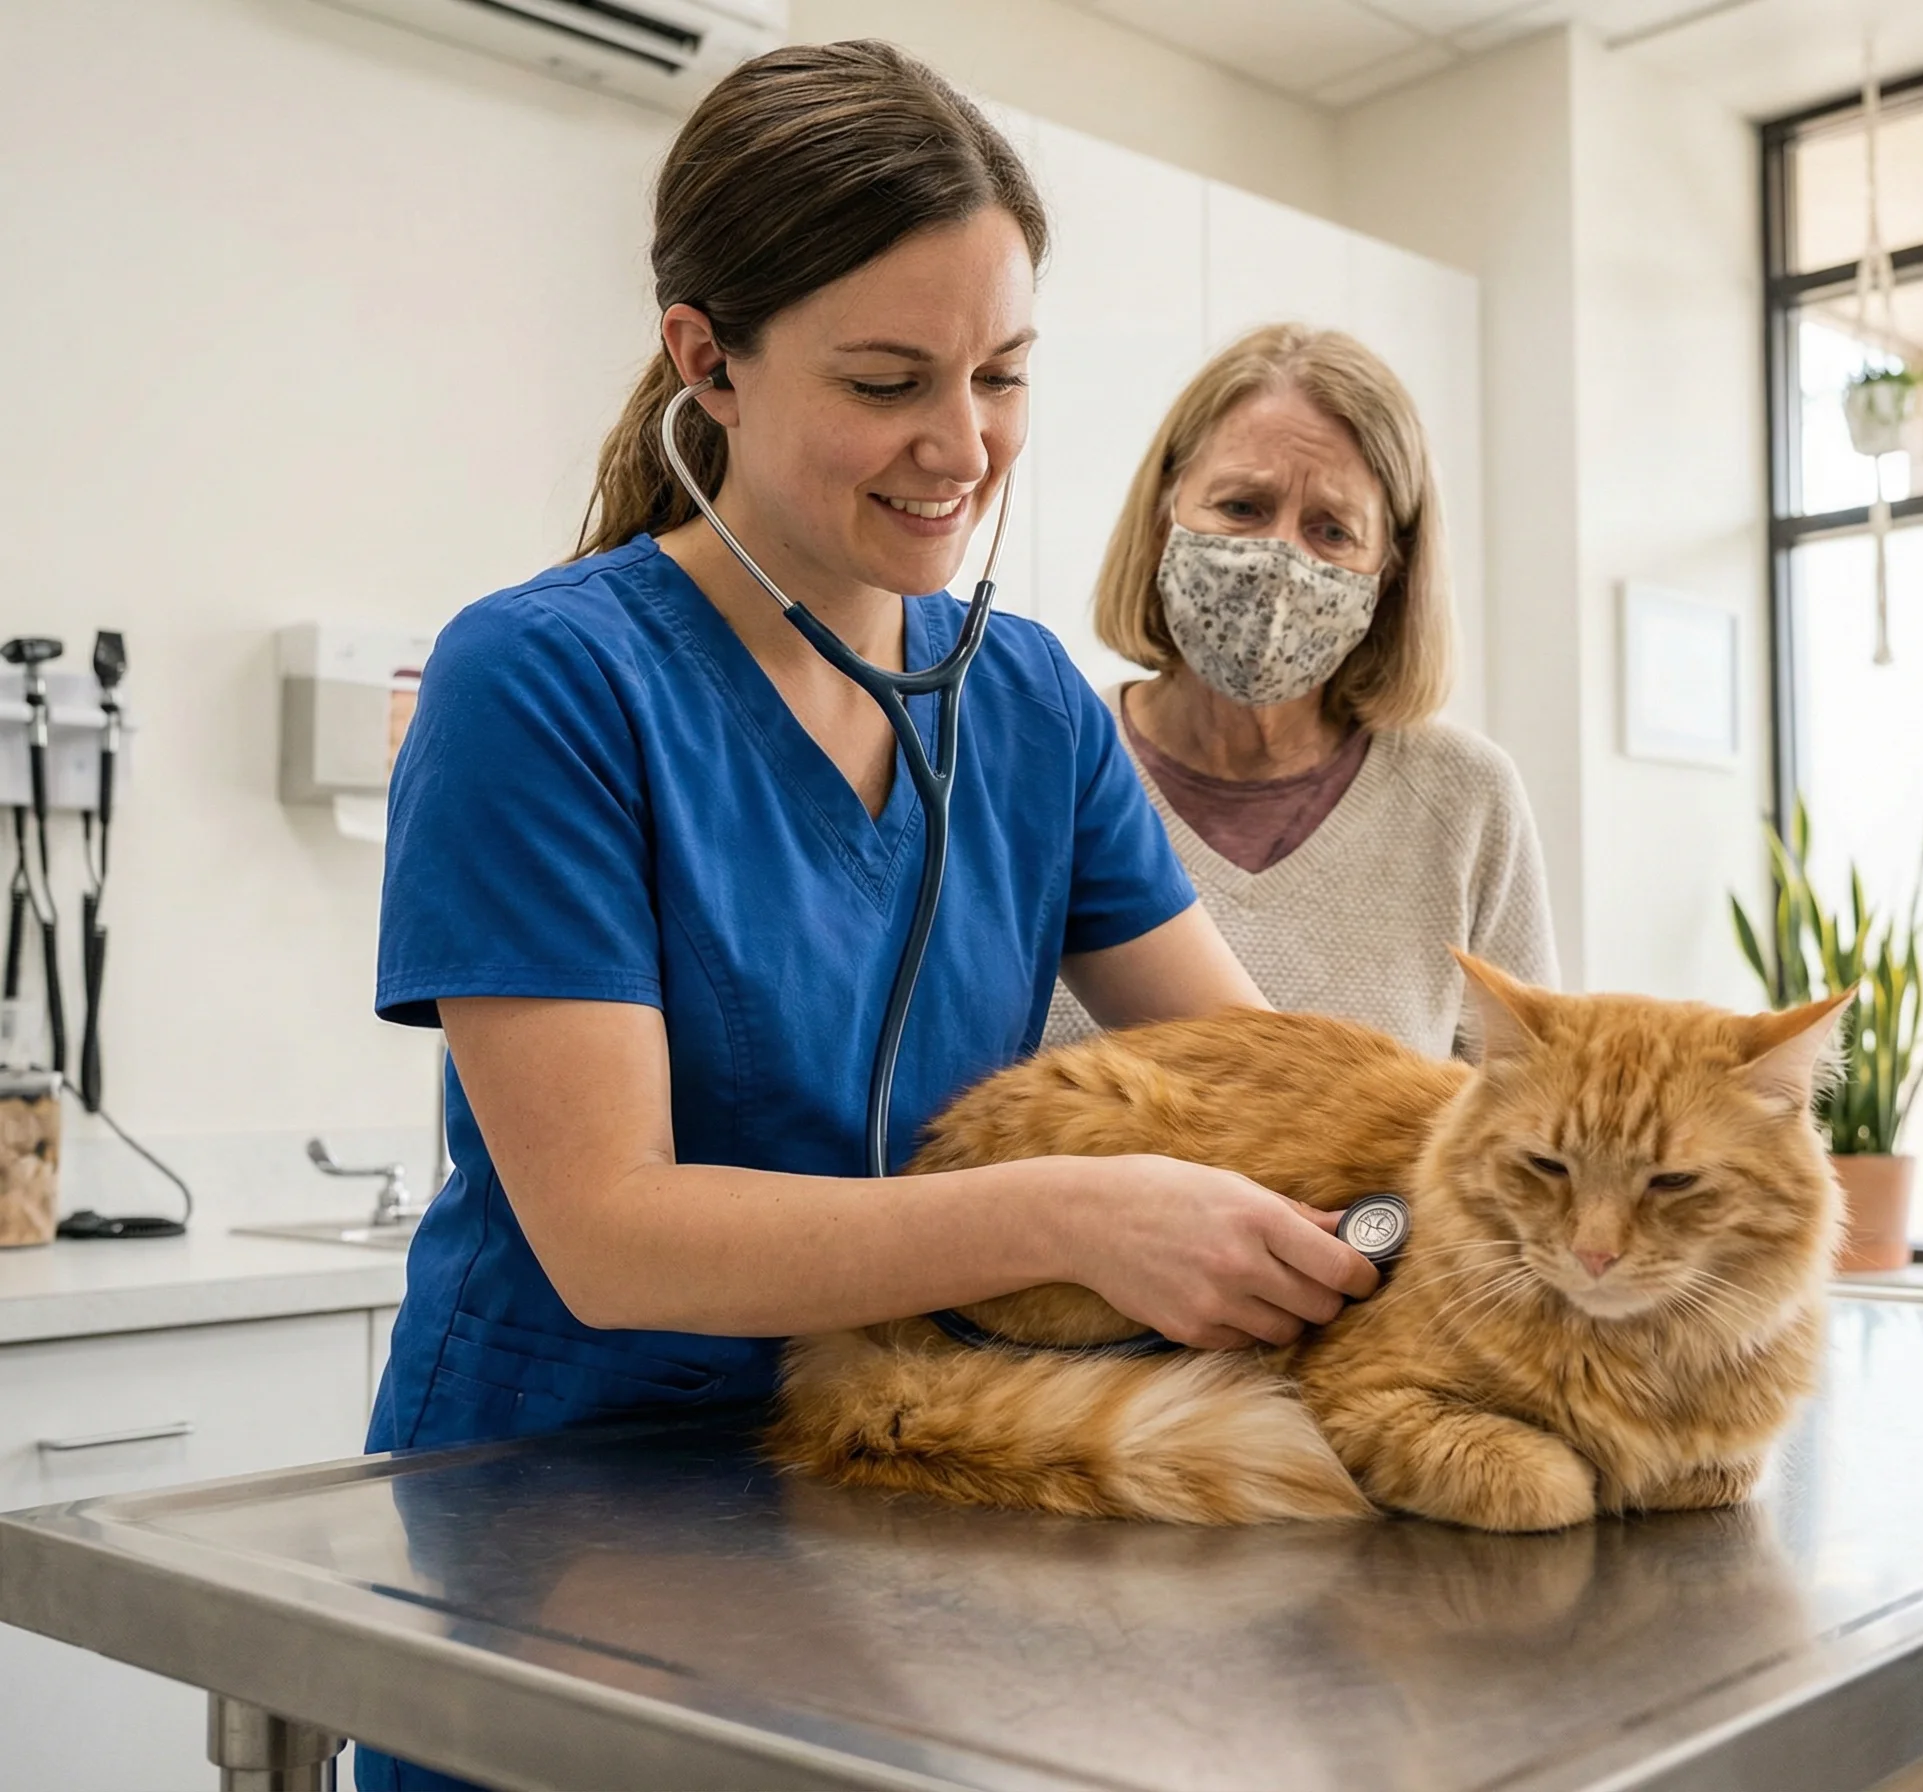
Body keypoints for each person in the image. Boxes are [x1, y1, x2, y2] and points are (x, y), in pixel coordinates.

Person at [363, 44, 1377, 1791]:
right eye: (890, 379)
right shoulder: (541, 681)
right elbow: (613, 1231)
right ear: (709, 362)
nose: (963, 445)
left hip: (903, 1499)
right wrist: (1071, 1210)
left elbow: (1256, 1070)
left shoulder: (1030, 702)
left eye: (1000, 374)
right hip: (554, 1521)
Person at [1044, 325, 1556, 1062]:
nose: (1279, 561)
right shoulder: (1046, 759)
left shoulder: (1465, 799)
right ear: (1165, 512)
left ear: (1392, 571)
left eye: (1332, 531)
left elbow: (1524, 1115)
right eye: (1243, 508)